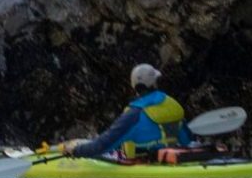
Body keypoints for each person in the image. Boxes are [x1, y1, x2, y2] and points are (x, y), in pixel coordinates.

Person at [57, 63, 191, 160]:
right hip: (171, 161)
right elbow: (186, 141)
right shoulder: (173, 106)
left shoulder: (134, 115)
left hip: (143, 174)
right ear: (155, 83)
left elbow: (101, 146)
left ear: (134, 86)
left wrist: (75, 151)